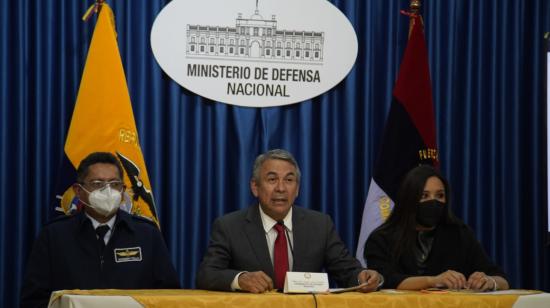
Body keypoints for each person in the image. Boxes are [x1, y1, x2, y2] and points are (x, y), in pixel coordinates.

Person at [196, 149, 382, 293]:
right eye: (272, 179)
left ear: (297, 188)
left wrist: (362, 277)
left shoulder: (320, 225)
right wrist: (240, 278)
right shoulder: (229, 226)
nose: (281, 188)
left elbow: (347, 271)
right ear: (255, 187)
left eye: (289, 180)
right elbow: (207, 274)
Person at [20, 152, 180, 308]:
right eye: (97, 184)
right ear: (78, 190)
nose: (108, 191)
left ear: (123, 190)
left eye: (115, 184)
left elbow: (170, 296)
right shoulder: (54, 235)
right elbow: (34, 300)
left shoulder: (147, 235)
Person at [364, 165, 509, 291]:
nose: (433, 201)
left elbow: (502, 279)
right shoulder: (382, 239)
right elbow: (384, 281)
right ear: (408, 199)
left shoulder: (459, 233)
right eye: (424, 195)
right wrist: (433, 281)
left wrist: (490, 281)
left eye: (440, 195)